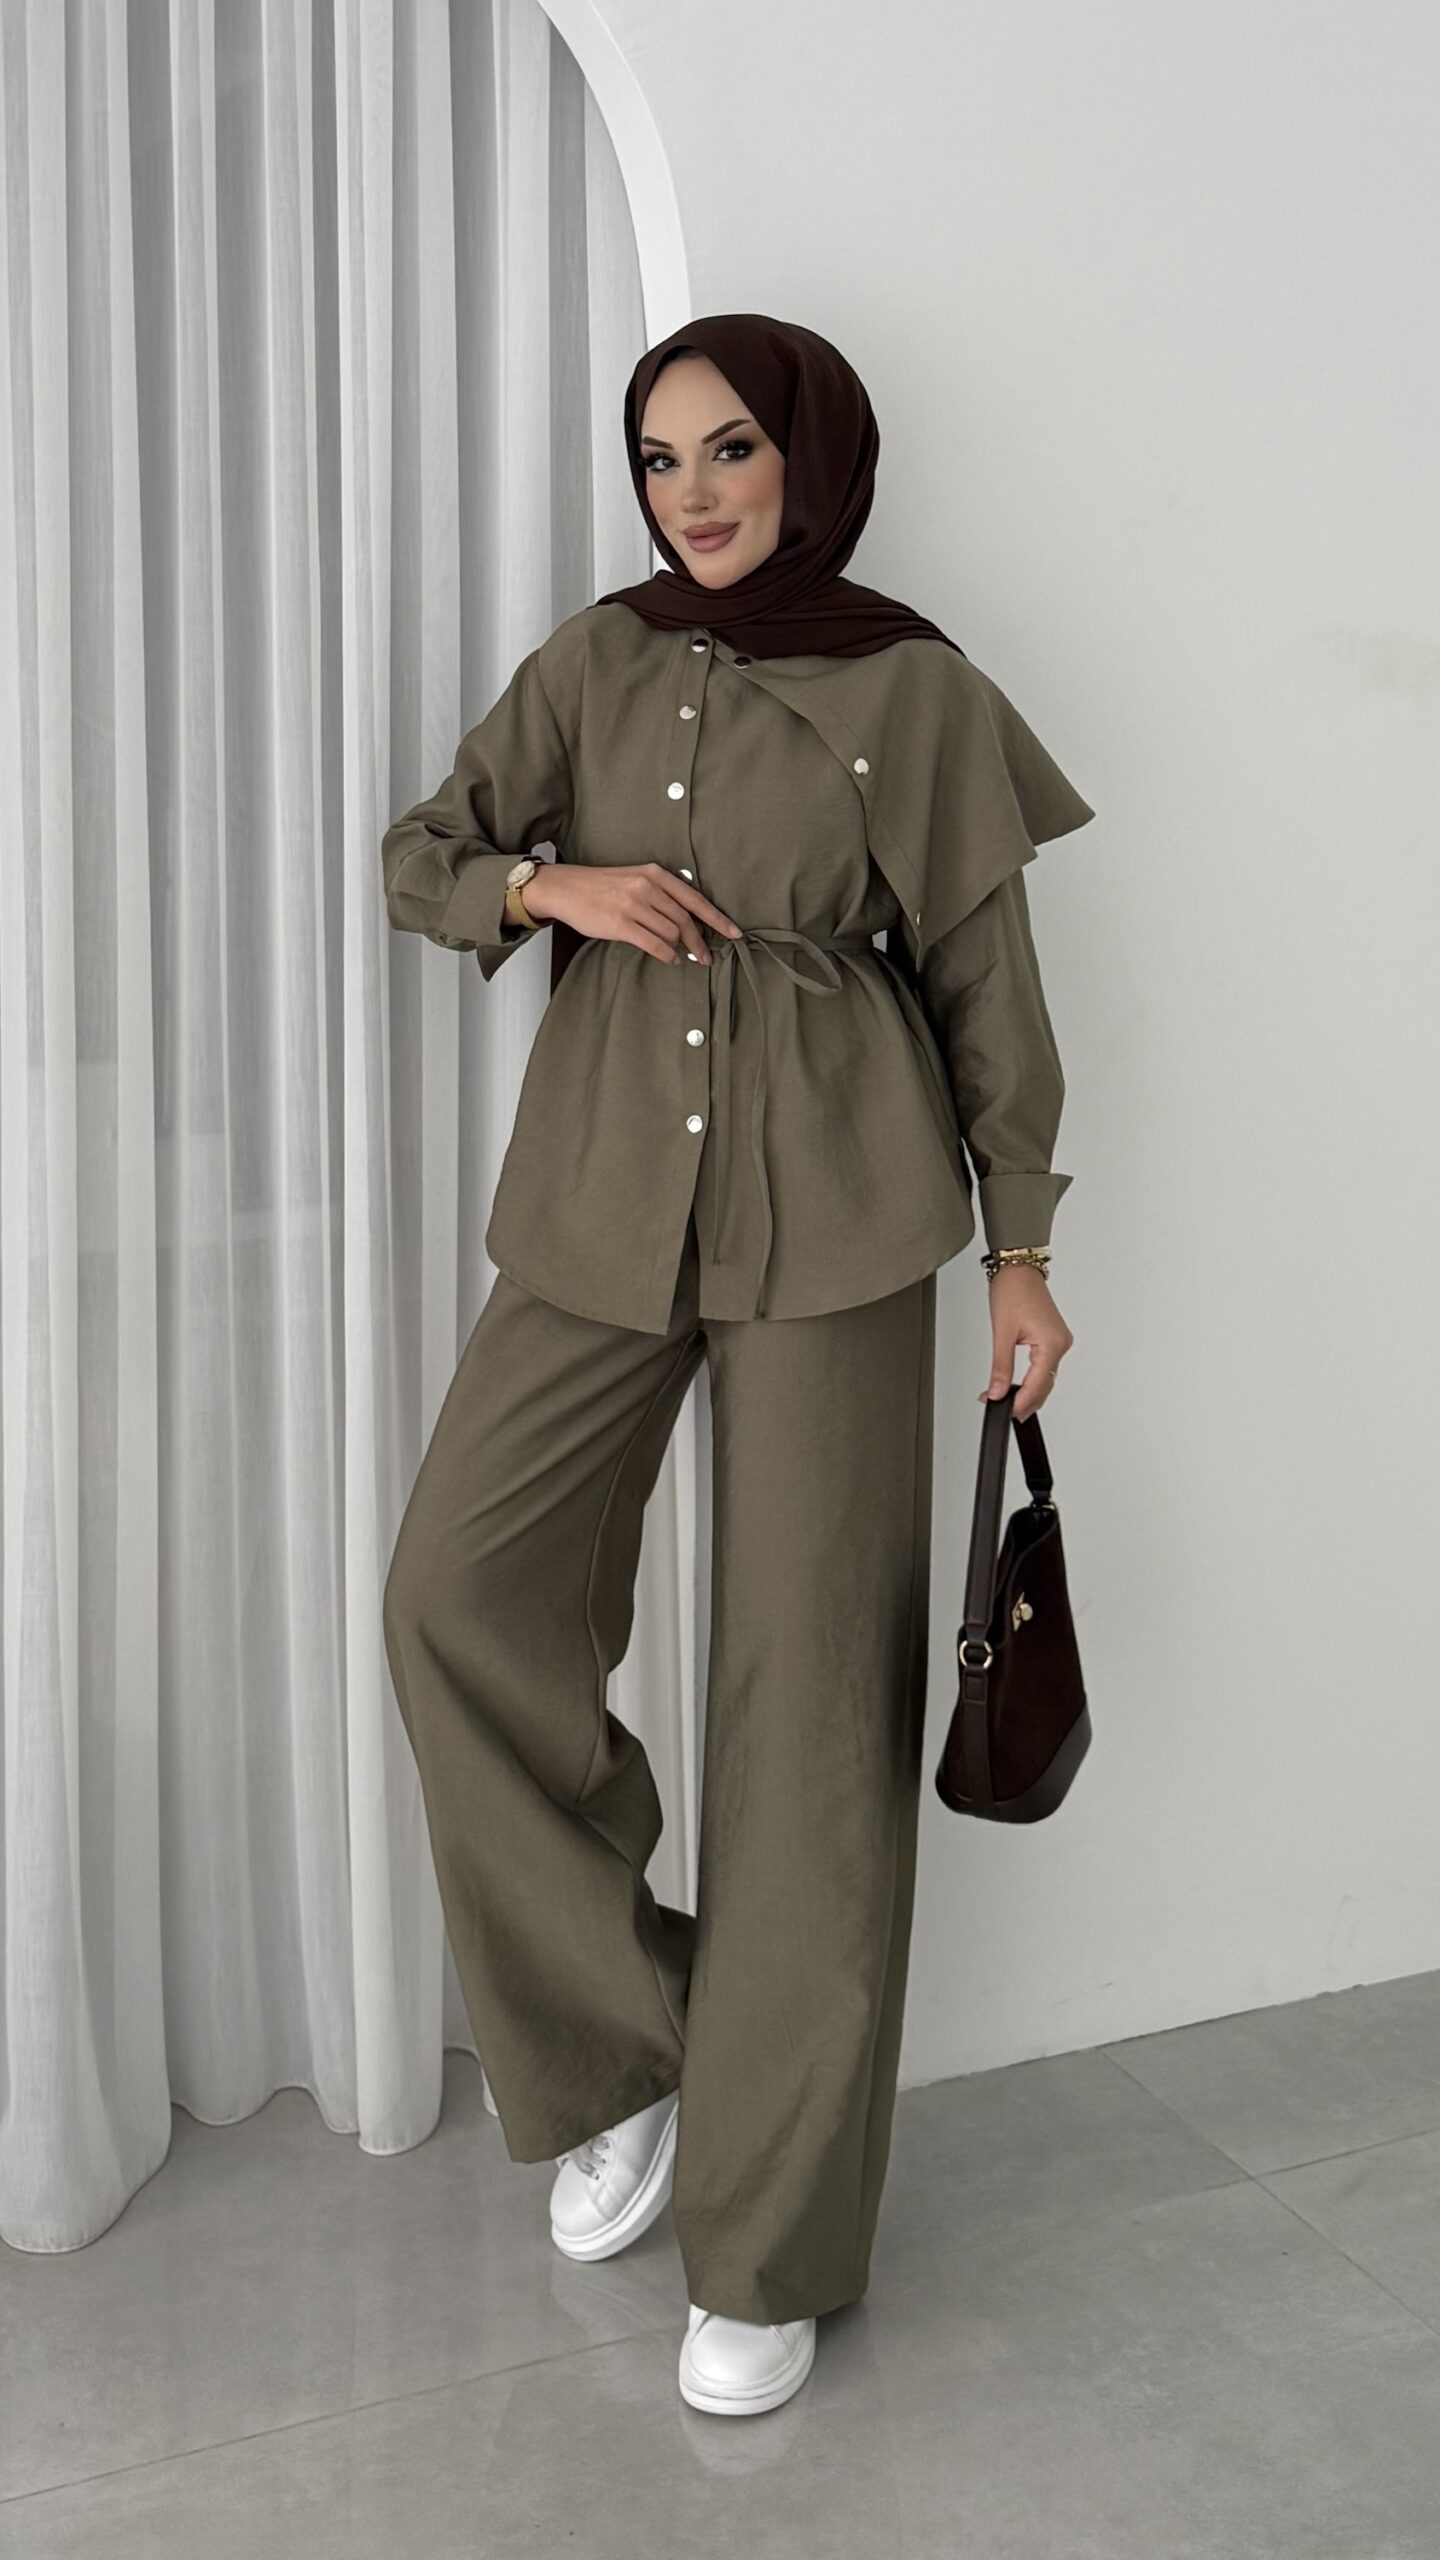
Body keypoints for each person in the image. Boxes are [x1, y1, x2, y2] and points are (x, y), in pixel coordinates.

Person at [380, 312, 1093, 2418]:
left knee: (809, 1711)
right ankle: (633, 2043)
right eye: (658, 458)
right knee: (457, 1595)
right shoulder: (594, 662)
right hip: (603, 1192)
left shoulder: (916, 685)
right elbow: (424, 852)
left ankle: (771, 2241)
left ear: (811, 459)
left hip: (847, 1205)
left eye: (729, 450)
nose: (690, 494)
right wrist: (554, 882)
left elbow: (987, 982)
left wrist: (1025, 1252)